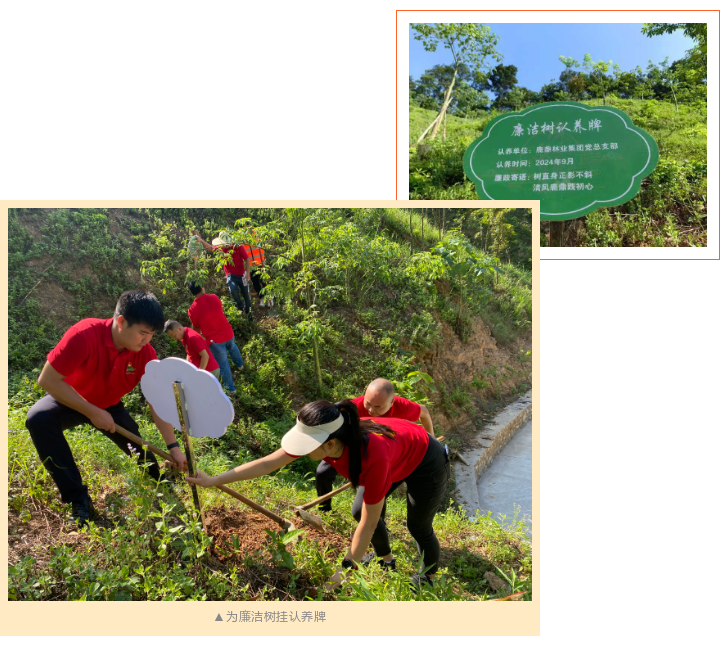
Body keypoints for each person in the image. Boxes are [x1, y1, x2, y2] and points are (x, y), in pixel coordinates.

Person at [187, 399, 450, 591]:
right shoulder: (327, 435)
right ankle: (385, 561)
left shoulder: (373, 458)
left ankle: (428, 576)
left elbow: (370, 524)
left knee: (417, 525)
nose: (299, 451)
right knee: (358, 510)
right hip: (397, 452)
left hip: (427, 461)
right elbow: (268, 463)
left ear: (331, 445)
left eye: (306, 447)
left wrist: (343, 572)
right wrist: (214, 480)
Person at [25, 291, 188, 528]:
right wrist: (91, 411)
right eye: (143, 333)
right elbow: (47, 380)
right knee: (38, 419)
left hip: (110, 405)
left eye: (151, 334)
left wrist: (173, 447)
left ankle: (159, 480)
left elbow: (156, 402)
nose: (147, 340)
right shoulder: (83, 335)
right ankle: (79, 500)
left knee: (137, 447)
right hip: (71, 398)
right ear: (121, 322)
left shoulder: (145, 354)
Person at [315, 378, 435, 512]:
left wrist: (432, 438)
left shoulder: (402, 406)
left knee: (376, 488)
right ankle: (324, 509)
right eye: (368, 404)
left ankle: (378, 523)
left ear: (391, 402)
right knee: (322, 472)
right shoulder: (352, 408)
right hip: (351, 446)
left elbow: (424, 412)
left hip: (383, 454)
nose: (371, 410)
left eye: (378, 407)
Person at [187, 281, 244, 395]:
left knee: (223, 365)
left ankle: (230, 389)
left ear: (192, 293)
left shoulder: (192, 310)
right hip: (228, 333)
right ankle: (240, 365)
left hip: (215, 341)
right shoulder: (214, 297)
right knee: (233, 347)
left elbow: (196, 329)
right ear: (202, 288)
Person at [192, 229, 253, 321]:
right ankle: (240, 306)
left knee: (247, 297)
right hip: (231, 275)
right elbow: (211, 248)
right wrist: (201, 241)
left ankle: (249, 315)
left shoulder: (238, 246)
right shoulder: (221, 247)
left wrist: (248, 274)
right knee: (233, 290)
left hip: (242, 275)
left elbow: (247, 259)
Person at [240, 236, 273, 308]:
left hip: (260, 263)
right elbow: (243, 254)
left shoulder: (256, 235)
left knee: (263, 280)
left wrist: (263, 262)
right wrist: (246, 268)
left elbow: (262, 250)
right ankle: (262, 298)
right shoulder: (242, 239)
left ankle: (269, 297)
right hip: (251, 266)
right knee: (255, 282)